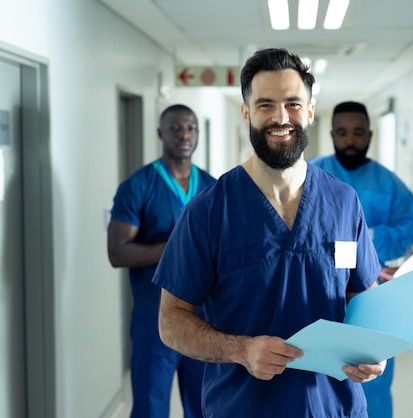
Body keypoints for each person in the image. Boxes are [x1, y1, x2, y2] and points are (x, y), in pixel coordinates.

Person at [151, 48, 386, 417]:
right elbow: (170, 320)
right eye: (265, 105)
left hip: (334, 407)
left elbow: (365, 296)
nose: (281, 117)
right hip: (243, 407)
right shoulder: (208, 211)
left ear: (309, 111)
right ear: (247, 114)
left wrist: (374, 349)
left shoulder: (343, 202)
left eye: (293, 104)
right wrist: (240, 350)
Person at [309, 101, 413, 418]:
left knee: (372, 376)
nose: (350, 140)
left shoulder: (389, 183)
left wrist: (367, 239)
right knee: (320, 377)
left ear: (369, 134)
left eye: (358, 133)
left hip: (373, 291)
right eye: (343, 133)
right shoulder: (312, 174)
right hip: (322, 290)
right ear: (332, 134)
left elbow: (410, 223)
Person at [107, 104, 216, 418]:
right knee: (150, 407)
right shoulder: (138, 186)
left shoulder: (212, 187)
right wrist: (175, 247)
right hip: (153, 318)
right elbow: (118, 251)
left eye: (191, 128)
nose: (184, 134)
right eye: (175, 128)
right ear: (160, 133)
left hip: (204, 317)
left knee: (205, 405)